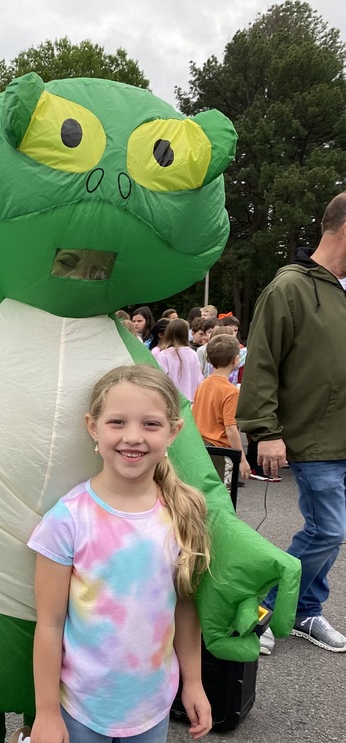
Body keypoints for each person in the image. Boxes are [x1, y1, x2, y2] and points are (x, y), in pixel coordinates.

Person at [27, 364, 212, 743]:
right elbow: (48, 625)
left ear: (173, 431)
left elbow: (185, 606)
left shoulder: (181, 512)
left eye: (150, 424)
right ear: (93, 429)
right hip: (81, 703)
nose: (133, 436)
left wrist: (193, 683)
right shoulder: (68, 519)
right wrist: (46, 712)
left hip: (152, 701)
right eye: (118, 422)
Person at [237, 191, 346, 655]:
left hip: (341, 436)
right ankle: (261, 609)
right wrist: (267, 431)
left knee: (332, 531)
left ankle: (304, 610)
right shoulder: (289, 287)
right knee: (328, 530)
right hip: (314, 437)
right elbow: (260, 363)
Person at [192, 334, 251, 486]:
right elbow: (231, 428)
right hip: (220, 451)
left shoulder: (204, 384)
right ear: (235, 360)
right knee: (222, 494)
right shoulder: (231, 392)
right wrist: (242, 459)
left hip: (201, 446)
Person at [153, 317, 203, 401]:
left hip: (172, 401)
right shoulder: (193, 354)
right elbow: (199, 379)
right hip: (190, 402)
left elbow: (160, 380)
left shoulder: (163, 355)